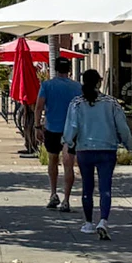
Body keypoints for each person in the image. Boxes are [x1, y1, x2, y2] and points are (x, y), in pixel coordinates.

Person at [64, 67, 132, 240]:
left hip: (84, 149)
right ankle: (103, 220)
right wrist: (128, 144)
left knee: (87, 187)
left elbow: (71, 127)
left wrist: (69, 141)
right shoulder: (111, 103)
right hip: (107, 149)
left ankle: (88, 222)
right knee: (105, 187)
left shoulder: (76, 103)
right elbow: (122, 127)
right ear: (99, 82)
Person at [37, 55, 81, 211]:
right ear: (69, 69)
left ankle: (53, 193)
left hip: (52, 129)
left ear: (55, 69)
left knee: (52, 160)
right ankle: (66, 200)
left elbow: (39, 107)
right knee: (68, 164)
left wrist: (37, 126)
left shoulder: (47, 85)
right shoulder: (77, 87)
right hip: (71, 130)